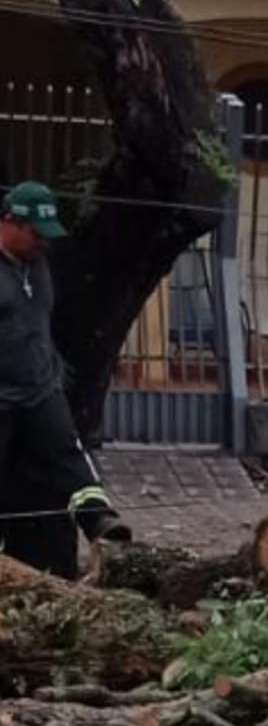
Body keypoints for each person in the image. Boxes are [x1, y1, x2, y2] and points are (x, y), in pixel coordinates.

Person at [0, 181, 128, 553]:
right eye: (37, 235)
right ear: (11, 223)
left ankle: (98, 519)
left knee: (68, 451)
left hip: (40, 386)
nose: (44, 243)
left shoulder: (38, 266)